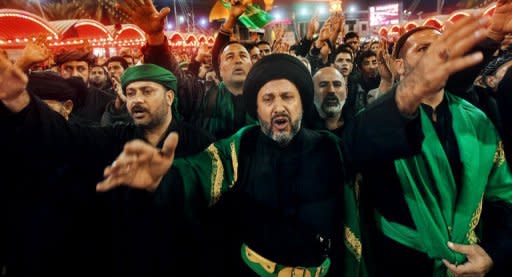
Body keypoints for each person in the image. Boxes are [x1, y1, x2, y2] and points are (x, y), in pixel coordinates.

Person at [97, 14, 489, 276]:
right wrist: (163, 178)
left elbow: (366, 138)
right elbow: (198, 172)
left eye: (287, 97)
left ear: (303, 103)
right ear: (257, 109)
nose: (278, 107)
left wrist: (409, 93)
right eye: (268, 100)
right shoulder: (242, 145)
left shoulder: (328, 147)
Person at [0, 61, 212, 277]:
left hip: (184, 258)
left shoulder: (201, 142)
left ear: (169, 97)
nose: (137, 99)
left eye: (147, 91)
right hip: (128, 260)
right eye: (130, 93)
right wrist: (20, 101)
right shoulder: (114, 138)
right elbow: (67, 135)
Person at [360, 16, 512, 277]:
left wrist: (492, 252)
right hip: (399, 263)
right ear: (399, 65)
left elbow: (503, 197)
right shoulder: (378, 123)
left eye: (442, 48)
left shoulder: (476, 121)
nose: (436, 55)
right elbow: (357, 145)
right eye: (422, 49)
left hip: (472, 263)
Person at [116, 0, 256, 139]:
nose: (237, 60)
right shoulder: (202, 96)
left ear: (252, 65)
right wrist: (155, 38)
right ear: (219, 68)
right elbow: (175, 79)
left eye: (243, 56)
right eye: (229, 57)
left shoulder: (269, 95)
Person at [54, 49, 114, 123]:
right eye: (68, 68)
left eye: (81, 69)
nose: (74, 74)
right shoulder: (51, 101)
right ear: (59, 71)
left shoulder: (107, 101)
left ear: (89, 70)